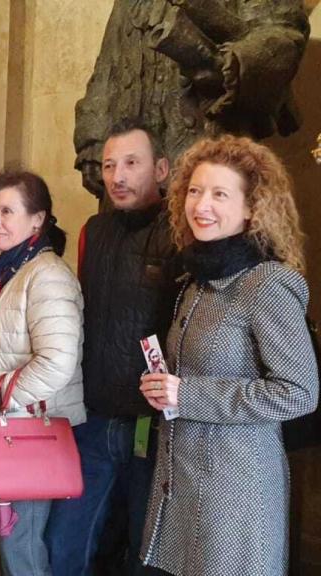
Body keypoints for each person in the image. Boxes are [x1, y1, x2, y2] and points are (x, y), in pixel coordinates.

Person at [138, 135, 318, 575]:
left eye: (220, 194)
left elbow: (299, 393)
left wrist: (188, 395)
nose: (202, 205)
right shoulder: (193, 279)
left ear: (251, 208)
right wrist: (164, 390)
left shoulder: (267, 284)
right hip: (179, 484)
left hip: (237, 494)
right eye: (196, 191)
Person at [46, 118, 181, 576]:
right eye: (109, 165)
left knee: (144, 545)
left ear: (161, 168)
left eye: (131, 163)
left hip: (151, 423)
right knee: (68, 541)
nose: (118, 176)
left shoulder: (181, 231)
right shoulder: (93, 230)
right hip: (94, 416)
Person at [0, 170, 85, 576]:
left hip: (31, 432)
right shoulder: (5, 273)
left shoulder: (47, 276)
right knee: (14, 545)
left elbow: (56, 362)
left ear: (38, 218)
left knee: (21, 548)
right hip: (9, 427)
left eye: (7, 211)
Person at [74, 0, 309, 203]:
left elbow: (283, 36)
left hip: (204, 153)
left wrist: (231, 64)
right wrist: (93, 143)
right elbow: (109, 64)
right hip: (130, 172)